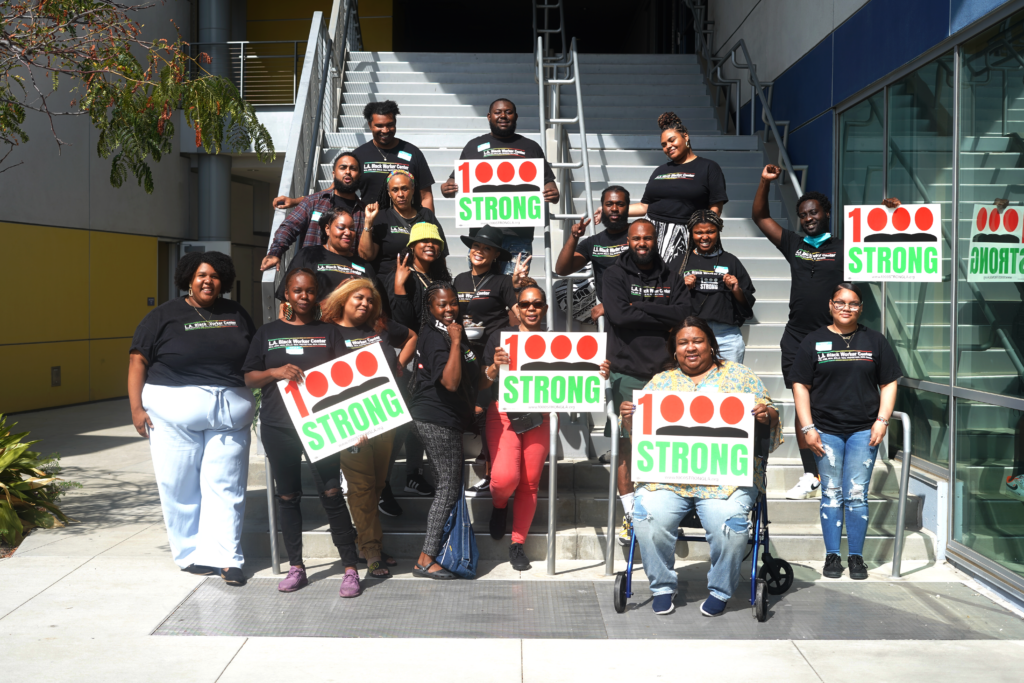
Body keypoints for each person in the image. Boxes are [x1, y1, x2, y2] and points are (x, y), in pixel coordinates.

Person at [753, 164, 901, 500]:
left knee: (825, 405)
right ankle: (810, 474)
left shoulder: (846, 246)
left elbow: (885, 240)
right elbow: (760, 216)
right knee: (801, 403)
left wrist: (891, 212)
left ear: (827, 213)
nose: (808, 218)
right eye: (803, 214)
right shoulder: (793, 243)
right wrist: (764, 182)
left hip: (835, 338)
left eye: (814, 212)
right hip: (797, 339)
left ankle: (838, 470)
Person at [620, 317, 782, 616]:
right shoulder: (661, 382)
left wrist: (766, 415)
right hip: (668, 478)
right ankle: (662, 586)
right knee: (647, 514)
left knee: (730, 523)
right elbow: (640, 437)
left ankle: (721, 589)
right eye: (683, 343)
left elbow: (772, 419)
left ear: (711, 345)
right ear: (674, 350)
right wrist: (629, 418)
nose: (690, 348)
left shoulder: (740, 376)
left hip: (726, 479)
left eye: (698, 341)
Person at [128, 251, 256, 586]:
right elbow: (137, 361)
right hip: (172, 413)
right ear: (188, 278)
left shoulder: (237, 313)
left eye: (214, 276)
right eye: (201, 275)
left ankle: (227, 558)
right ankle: (190, 554)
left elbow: (255, 358)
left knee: (226, 487)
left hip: (230, 413)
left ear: (223, 281)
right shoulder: (164, 315)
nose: (208, 281)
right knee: (178, 485)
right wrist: (136, 409)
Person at [242, 269, 364, 596]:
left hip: (320, 426)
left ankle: (350, 568)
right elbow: (249, 377)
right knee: (287, 497)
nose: (304, 296)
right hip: (278, 426)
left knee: (332, 495)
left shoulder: (330, 333)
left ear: (317, 296)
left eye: (310, 291)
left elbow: (349, 380)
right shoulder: (267, 333)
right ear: (287, 294)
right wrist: (275, 371)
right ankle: (297, 567)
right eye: (297, 291)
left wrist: (356, 426)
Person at [480, 280, 610, 569]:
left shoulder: (557, 342)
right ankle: (499, 505)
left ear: (545, 308)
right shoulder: (500, 338)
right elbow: (482, 380)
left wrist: (597, 374)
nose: (530, 309)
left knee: (529, 483)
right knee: (503, 479)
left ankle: (517, 544)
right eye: (525, 304)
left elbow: (578, 376)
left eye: (537, 304)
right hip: (504, 414)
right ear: (517, 307)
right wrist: (493, 367)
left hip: (542, 416)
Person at [791, 282, 901, 581]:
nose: (846, 308)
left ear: (861, 308)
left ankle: (856, 557)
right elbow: (800, 385)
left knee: (856, 494)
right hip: (825, 430)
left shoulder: (874, 340)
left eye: (853, 304)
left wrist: (882, 419)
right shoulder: (813, 341)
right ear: (830, 305)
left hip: (864, 430)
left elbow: (889, 382)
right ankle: (831, 556)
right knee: (830, 493)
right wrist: (808, 427)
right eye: (840, 303)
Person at [602, 219, 691, 545]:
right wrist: (659, 314)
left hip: (667, 373)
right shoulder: (614, 274)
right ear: (629, 240)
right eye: (636, 238)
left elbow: (684, 314)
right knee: (628, 445)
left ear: (655, 240)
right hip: (626, 371)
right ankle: (631, 514)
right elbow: (619, 316)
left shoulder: (670, 275)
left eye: (648, 238)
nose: (642, 243)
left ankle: (664, 512)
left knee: (665, 445)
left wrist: (638, 305)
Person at [320, 278, 413, 578]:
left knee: (376, 485)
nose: (365, 304)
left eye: (370, 300)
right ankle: (372, 551)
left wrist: (399, 363)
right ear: (344, 299)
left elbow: (411, 335)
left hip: (383, 418)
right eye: (358, 298)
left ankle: (366, 541)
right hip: (350, 423)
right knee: (360, 487)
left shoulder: (379, 329)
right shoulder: (327, 332)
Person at [410, 281, 492, 579]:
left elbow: (475, 379)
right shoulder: (435, 336)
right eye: (441, 304)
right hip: (435, 417)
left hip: (451, 419)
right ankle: (426, 557)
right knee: (447, 488)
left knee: (449, 486)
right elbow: (450, 382)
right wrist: (456, 341)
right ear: (430, 308)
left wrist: (492, 370)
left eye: (453, 303)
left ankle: (438, 551)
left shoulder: (455, 331)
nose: (449, 309)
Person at [453, 224, 529, 494]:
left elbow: (519, 315)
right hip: (464, 354)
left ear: (496, 255)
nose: (479, 251)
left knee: (484, 410)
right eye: (476, 246)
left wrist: (519, 286)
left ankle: (490, 472)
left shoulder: (502, 282)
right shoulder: (459, 279)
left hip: (493, 356)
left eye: (487, 248)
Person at [626, 112, 728, 264]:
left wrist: (702, 234)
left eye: (671, 140)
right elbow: (644, 206)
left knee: (677, 283)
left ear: (685, 136)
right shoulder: (660, 170)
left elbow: (715, 209)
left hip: (684, 235)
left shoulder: (708, 167)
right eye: (664, 145)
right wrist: (614, 212)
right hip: (651, 233)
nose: (668, 147)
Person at [439, 98, 559, 205]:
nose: (503, 116)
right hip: (481, 223)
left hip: (521, 223)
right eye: (497, 112)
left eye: (508, 112)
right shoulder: (473, 146)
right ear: (489, 116)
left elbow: (547, 181)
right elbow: (454, 181)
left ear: (516, 117)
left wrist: (552, 193)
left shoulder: (531, 147)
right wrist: (446, 189)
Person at [672, 210, 755, 363]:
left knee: (730, 384)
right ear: (691, 233)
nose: (705, 237)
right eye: (698, 232)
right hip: (689, 334)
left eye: (710, 231)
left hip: (726, 335)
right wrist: (682, 288)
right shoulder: (679, 262)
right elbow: (666, 300)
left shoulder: (731, 261)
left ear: (718, 232)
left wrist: (736, 289)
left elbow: (748, 303)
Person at [261, 153, 367, 272]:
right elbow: (289, 227)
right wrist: (275, 253)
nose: (348, 172)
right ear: (333, 173)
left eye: (353, 169)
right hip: (311, 274)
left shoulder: (364, 212)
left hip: (345, 278)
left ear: (359, 175)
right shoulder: (313, 202)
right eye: (343, 167)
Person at [554, 186, 631, 322]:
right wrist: (574, 236)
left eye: (620, 204)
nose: (614, 208)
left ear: (628, 207)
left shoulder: (640, 233)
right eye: (609, 204)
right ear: (602, 208)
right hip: (609, 315)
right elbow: (562, 269)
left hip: (636, 308)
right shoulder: (593, 242)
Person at [358, 169, 448, 278]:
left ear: (413, 190)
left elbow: (441, 253)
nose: (400, 194)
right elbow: (366, 256)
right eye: (395, 190)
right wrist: (368, 223)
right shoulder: (381, 217)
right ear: (389, 193)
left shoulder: (426, 215)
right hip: (388, 283)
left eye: (405, 189)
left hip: (423, 282)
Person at [276, 209, 379, 302]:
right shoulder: (308, 256)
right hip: (315, 321)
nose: (348, 232)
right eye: (341, 227)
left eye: (352, 229)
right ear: (327, 229)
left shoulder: (365, 266)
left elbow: (376, 306)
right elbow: (286, 299)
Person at [353, 100, 435, 212]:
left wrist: (428, 225)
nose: (385, 130)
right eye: (379, 126)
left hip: (408, 226)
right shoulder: (359, 155)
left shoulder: (413, 152)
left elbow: (425, 197)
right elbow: (343, 190)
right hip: (371, 225)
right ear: (370, 125)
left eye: (390, 125)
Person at [386, 222, 451, 337]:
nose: (430, 244)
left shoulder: (440, 276)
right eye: (424, 240)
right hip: (415, 343)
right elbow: (403, 323)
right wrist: (399, 286)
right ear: (412, 246)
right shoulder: (401, 276)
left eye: (435, 242)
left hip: (440, 339)